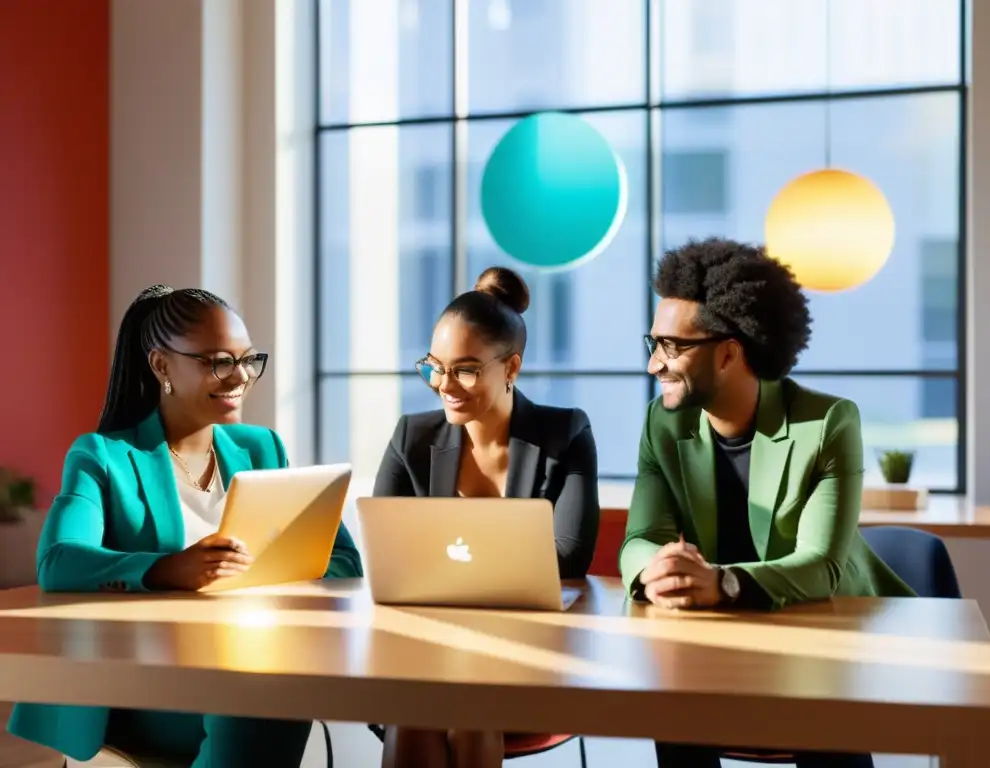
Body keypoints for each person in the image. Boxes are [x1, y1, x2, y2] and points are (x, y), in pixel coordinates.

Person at [7, 286, 363, 767]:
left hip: (252, 658)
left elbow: (342, 559)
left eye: (247, 360)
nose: (239, 377)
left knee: (269, 685)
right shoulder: (103, 456)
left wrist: (270, 571)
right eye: (218, 361)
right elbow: (59, 561)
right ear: (161, 366)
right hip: (153, 684)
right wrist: (169, 569)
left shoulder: (263, 449)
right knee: (262, 695)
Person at [619, 238, 914, 768]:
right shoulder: (662, 423)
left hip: (825, 639)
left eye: (671, 347)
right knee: (673, 705)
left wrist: (723, 581)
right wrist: (656, 570)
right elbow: (640, 539)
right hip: (711, 645)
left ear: (730, 351)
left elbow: (821, 565)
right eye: (653, 343)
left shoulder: (826, 423)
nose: (652, 365)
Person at [371, 266, 600, 768]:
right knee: (426, 703)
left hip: (528, 650)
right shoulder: (412, 438)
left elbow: (568, 556)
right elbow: (387, 554)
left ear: (511, 367)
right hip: (424, 649)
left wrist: (444, 580)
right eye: (434, 366)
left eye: (466, 369)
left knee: (460, 704)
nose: (443, 384)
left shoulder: (565, 435)